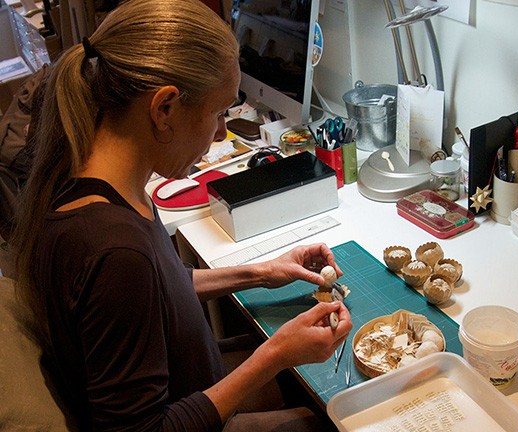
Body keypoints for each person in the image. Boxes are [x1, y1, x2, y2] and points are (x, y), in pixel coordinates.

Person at [11, 0, 353, 430]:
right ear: (164, 108)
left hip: (192, 390)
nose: (220, 132)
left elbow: (157, 288)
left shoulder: (104, 186)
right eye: (218, 113)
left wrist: (261, 273)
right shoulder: (114, 250)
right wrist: (275, 354)